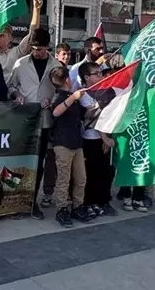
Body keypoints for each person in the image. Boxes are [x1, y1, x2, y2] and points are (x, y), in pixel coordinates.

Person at [8, 28, 57, 219]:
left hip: (44, 121)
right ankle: (16, 201)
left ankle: (32, 202)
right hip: (24, 121)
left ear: (48, 47)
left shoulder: (56, 65)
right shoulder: (20, 64)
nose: (38, 52)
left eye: (42, 49)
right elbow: (11, 86)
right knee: (19, 162)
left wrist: (51, 101)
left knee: (38, 164)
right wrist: (16, 95)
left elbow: (62, 91)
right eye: (35, 49)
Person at [48, 65, 94, 228]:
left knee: (81, 178)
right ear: (67, 80)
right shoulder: (59, 97)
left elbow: (84, 116)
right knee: (63, 179)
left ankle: (77, 206)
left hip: (77, 143)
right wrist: (73, 97)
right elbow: (56, 112)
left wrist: (93, 109)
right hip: (63, 144)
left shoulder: (73, 98)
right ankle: (62, 210)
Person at [79, 62, 116, 218]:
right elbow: (91, 117)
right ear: (87, 77)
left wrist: (107, 137)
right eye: (97, 73)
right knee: (90, 172)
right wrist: (104, 137)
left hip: (105, 137)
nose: (101, 76)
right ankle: (89, 202)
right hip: (89, 138)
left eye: (101, 72)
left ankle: (103, 201)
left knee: (106, 171)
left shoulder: (106, 92)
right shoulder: (82, 94)